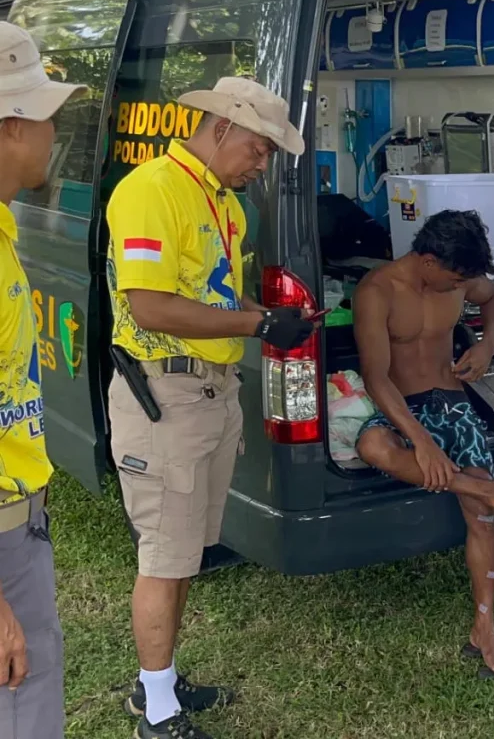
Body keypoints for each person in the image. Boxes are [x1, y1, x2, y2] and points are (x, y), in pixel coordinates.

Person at [106, 77, 314, 739]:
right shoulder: (151, 190)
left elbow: (209, 295)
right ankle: (156, 713)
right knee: (164, 554)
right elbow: (150, 303)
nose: (262, 164)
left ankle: (158, 683)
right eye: (258, 148)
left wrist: (264, 314)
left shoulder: (222, 201)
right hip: (164, 394)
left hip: (209, 392)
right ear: (220, 127)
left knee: (186, 549)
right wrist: (257, 330)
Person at [354, 209, 494, 678]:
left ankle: (483, 627)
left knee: (482, 519)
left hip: (451, 400)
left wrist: (487, 345)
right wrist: (421, 442)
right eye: (452, 281)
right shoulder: (377, 291)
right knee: (373, 447)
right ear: (427, 260)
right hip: (402, 405)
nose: (459, 290)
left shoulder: (460, 277)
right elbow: (376, 378)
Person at [0, 21, 85, 739]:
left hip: (17, 512)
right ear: (10, 127)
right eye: (47, 117)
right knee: (22, 704)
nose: (55, 133)